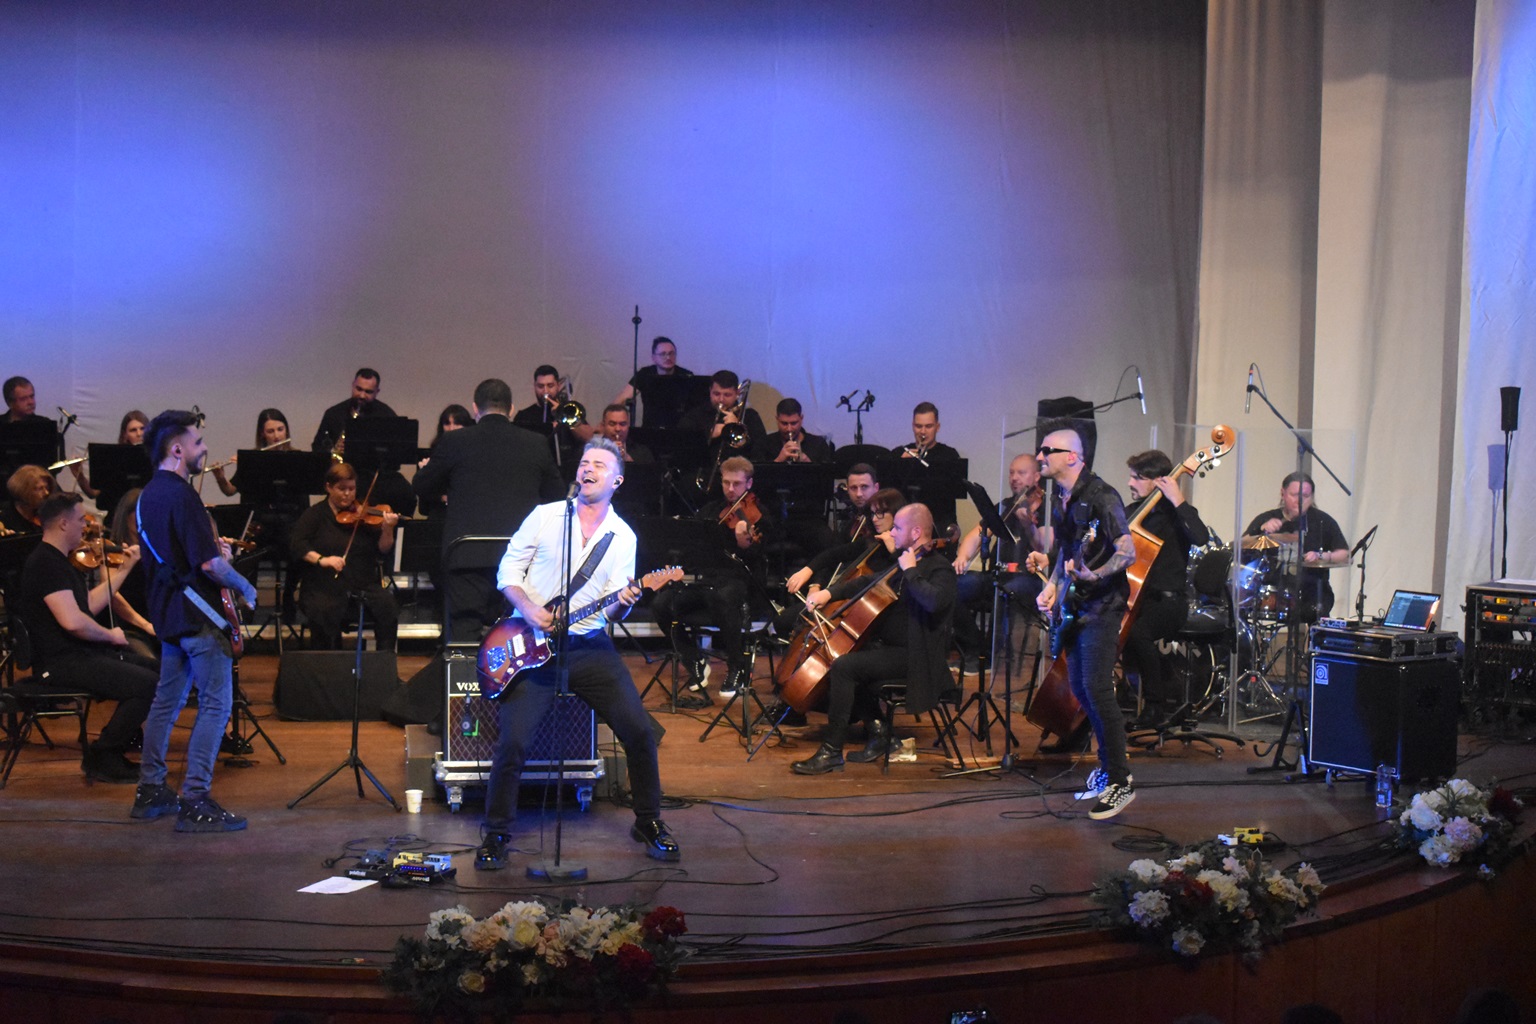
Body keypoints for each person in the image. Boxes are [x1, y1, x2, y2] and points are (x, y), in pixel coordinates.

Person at [477, 437, 678, 869]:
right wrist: (529, 609)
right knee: (513, 742)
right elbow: (508, 569)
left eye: (600, 465)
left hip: (589, 646)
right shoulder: (546, 516)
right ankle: (496, 833)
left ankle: (649, 820)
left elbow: (612, 609)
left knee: (639, 732)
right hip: (531, 644)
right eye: (585, 462)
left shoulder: (622, 537)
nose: (588, 469)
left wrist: (626, 601)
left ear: (617, 480)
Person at [133, 409, 259, 831]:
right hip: (201, 618)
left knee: (166, 703)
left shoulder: (146, 497)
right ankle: (195, 800)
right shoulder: (184, 496)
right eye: (198, 442)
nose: (204, 449)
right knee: (215, 705)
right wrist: (245, 585)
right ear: (177, 449)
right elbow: (209, 565)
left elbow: (176, 555)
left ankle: (151, 790)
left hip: (169, 616)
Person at [790, 503, 957, 773]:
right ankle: (881, 734)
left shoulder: (939, 568)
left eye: (898, 528)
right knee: (844, 658)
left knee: (845, 667)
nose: (892, 532)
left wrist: (911, 571)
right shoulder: (905, 562)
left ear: (916, 532)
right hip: (892, 650)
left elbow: (934, 602)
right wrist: (828, 594)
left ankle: (832, 751)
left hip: (917, 656)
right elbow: (865, 583)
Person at [15, 492, 159, 784]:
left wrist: (125, 569)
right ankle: (104, 754)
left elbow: (87, 606)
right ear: (64, 523)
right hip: (60, 663)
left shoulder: (59, 561)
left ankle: (110, 751)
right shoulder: (45, 563)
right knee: (148, 685)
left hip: (78, 655)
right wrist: (110, 636)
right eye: (81, 520)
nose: (87, 526)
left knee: (157, 671)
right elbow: (73, 622)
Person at [1033, 426, 1137, 820]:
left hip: (1103, 606)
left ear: (1072, 456)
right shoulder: (1062, 499)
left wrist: (1096, 575)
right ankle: (1108, 771)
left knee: (1096, 688)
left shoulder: (1102, 496)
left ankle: (1120, 780)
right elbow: (1066, 553)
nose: (1040, 457)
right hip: (1077, 606)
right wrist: (1052, 588)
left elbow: (1127, 552)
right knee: (1081, 688)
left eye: (1048, 450)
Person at [414, 379, 565, 643]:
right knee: (520, 635)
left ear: (475, 408)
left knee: (463, 635)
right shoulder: (535, 443)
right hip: (520, 557)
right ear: (511, 409)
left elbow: (422, 486)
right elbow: (557, 496)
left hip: (466, 554)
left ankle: (463, 670)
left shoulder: (454, 441)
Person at [651, 456, 779, 707]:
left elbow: (760, 553)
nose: (730, 489)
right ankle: (694, 660)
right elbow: (692, 547)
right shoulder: (710, 511)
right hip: (709, 581)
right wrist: (677, 563)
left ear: (749, 484)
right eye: (726, 482)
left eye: (737, 484)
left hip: (741, 584)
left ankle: (737, 666)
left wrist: (745, 544)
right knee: (662, 603)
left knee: (722, 595)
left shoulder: (761, 515)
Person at [1121, 450, 1210, 724]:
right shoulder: (1131, 513)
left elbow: (1201, 537)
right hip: (1137, 599)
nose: (1130, 483)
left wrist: (1178, 499)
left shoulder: (1176, 515)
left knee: (1138, 633)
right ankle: (1121, 696)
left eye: (1138, 477)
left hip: (1169, 603)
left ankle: (1155, 706)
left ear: (1159, 480)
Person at [289, 462, 401, 651]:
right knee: (323, 610)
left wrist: (388, 529)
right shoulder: (315, 515)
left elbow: (383, 549)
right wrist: (322, 560)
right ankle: (329, 664)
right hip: (323, 586)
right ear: (329, 487)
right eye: (341, 489)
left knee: (388, 606)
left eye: (352, 489)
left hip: (362, 584)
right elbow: (297, 545)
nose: (348, 494)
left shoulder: (363, 515)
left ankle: (384, 663)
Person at [951, 453, 1045, 675]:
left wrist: (1029, 526)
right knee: (952, 586)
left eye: (1021, 473)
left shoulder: (1047, 507)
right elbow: (977, 534)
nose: (1014, 478)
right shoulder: (1005, 506)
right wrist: (963, 556)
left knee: (1006, 591)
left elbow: (1045, 546)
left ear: (1036, 476)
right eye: (1011, 473)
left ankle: (989, 658)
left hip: (1030, 579)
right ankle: (975, 647)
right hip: (999, 573)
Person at [1242, 471, 1349, 620]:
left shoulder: (1322, 521)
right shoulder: (1266, 518)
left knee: (1318, 608)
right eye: (1294, 495)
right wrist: (1261, 530)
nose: (1299, 501)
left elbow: (1344, 554)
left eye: (1305, 496)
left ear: (1312, 497)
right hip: (1272, 591)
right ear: (1283, 493)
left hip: (1310, 593)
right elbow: (1241, 546)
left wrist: (1322, 555)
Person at [676, 370, 767, 488]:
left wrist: (737, 428)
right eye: (716, 394)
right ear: (710, 391)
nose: (721, 400)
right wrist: (709, 433)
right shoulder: (696, 415)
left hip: (739, 479)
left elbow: (760, 451)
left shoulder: (750, 416)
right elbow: (682, 444)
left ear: (737, 393)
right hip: (704, 477)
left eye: (727, 395)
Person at [512, 364, 595, 473]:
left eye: (550, 386)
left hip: (568, 472)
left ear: (558, 386)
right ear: (534, 386)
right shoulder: (524, 415)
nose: (545, 391)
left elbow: (589, 437)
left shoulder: (569, 411)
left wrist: (563, 414)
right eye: (540, 386)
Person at [311, 368, 396, 459]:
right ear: (353, 386)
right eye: (359, 389)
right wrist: (333, 450)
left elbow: (395, 453)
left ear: (377, 392)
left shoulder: (388, 416)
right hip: (339, 467)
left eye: (368, 392)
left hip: (374, 467)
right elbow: (317, 447)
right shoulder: (333, 413)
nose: (362, 395)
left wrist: (365, 449)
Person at [614, 335, 693, 412]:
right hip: (650, 421)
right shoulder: (645, 374)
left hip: (680, 421)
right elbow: (620, 400)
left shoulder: (686, 376)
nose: (668, 357)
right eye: (663, 354)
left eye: (671, 353)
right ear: (653, 357)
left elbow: (696, 406)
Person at [757, 398, 832, 464]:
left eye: (793, 423)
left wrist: (809, 463)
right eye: (784, 423)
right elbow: (757, 474)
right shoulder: (764, 444)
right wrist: (778, 460)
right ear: (777, 419)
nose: (789, 429)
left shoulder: (819, 444)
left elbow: (827, 474)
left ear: (801, 419)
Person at [890, 402, 961, 463]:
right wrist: (900, 463)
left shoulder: (950, 455)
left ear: (937, 427)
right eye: (918, 426)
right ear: (913, 426)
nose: (923, 431)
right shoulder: (898, 453)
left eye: (928, 426)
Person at [1, 465, 56, 535]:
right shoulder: (4, 516)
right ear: (24, 490)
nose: (46, 493)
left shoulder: (48, 514)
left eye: (47, 488)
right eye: (40, 489)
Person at [835, 463, 882, 543]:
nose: (858, 494)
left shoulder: (883, 517)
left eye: (864, 487)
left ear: (876, 488)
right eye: (853, 488)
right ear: (848, 489)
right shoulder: (849, 521)